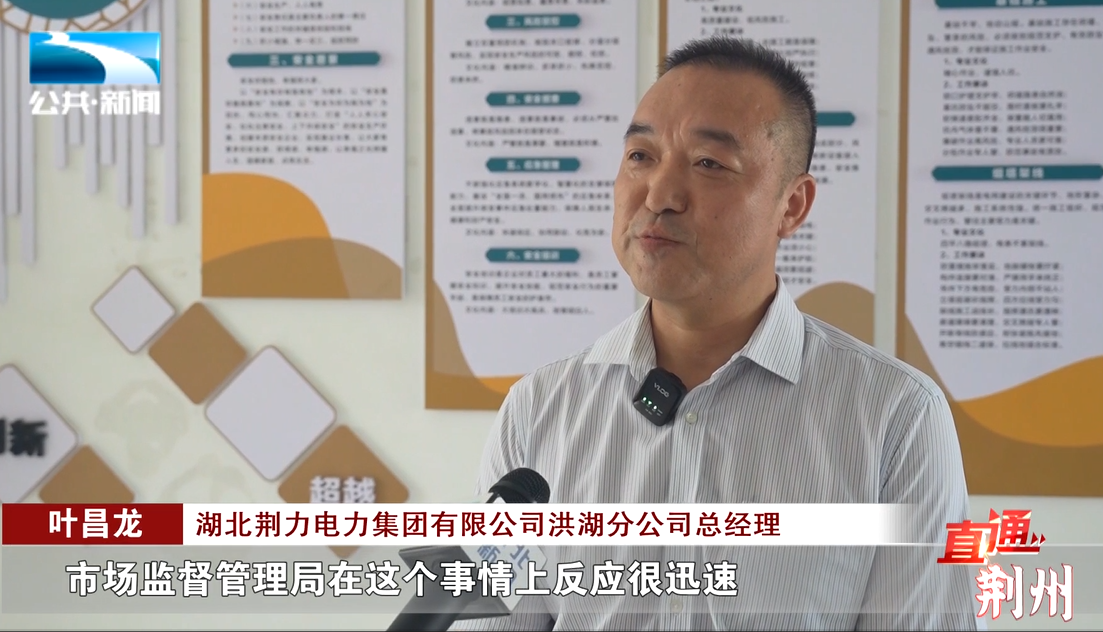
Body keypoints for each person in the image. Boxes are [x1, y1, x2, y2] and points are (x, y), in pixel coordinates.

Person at [453, 36, 979, 631]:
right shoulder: (539, 410)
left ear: (792, 205)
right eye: (640, 156)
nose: (659, 195)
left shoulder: (897, 418)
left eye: (708, 164)